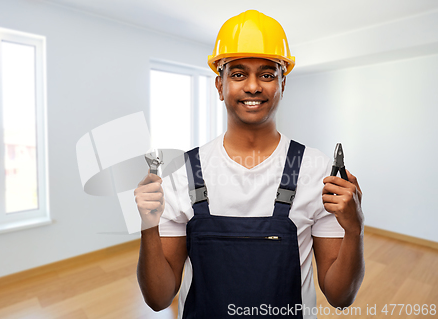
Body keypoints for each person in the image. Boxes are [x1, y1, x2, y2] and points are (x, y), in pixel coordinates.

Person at [135, 10, 364, 319]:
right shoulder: (182, 172)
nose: (253, 86)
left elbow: (340, 297)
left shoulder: (317, 170)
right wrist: (149, 226)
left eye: (268, 74)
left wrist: (354, 229)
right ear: (220, 85)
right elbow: (159, 299)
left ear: (284, 84)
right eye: (238, 74)